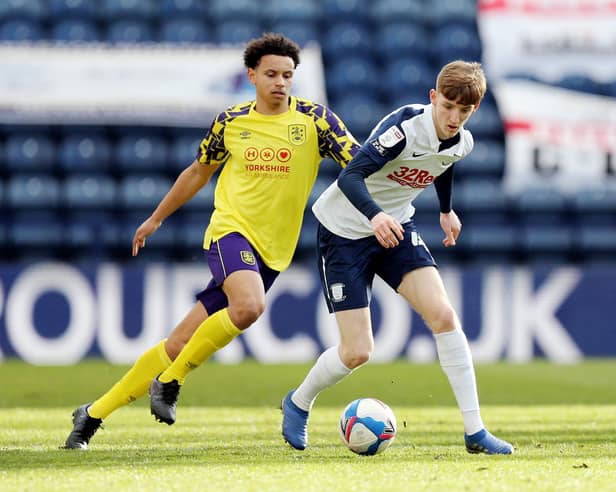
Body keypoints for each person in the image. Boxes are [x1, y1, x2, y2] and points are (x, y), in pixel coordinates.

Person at [63, 33, 360, 449]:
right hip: (230, 231)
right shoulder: (231, 122)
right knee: (250, 306)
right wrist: (155, 218)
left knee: (179, 342)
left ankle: (91, 415)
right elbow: (198, 172)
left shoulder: (316, 121)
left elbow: (360, 164)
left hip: (273, 250)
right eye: (271, 74)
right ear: (252, 75)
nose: (280, 82)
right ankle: (171, 380)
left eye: (288, 75)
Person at [281, 60, 514, 455]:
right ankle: (298, 402)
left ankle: (475, 431)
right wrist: (375, 216)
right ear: (433, 98)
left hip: (395, 228)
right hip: (345, 231)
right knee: (357, 352)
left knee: (443, 316)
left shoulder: (463, 141)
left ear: (474, 110)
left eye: (464, 111)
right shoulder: (404, 129)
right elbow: (349, 176)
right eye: (448, 107)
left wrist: (445, 210)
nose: (454, 117)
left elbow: (443, 162)